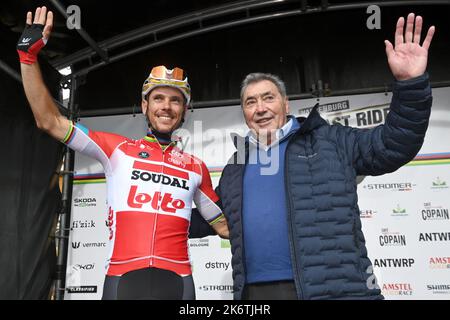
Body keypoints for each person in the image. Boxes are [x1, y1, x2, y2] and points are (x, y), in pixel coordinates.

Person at [216, 13, 435, 300]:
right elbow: (204, 216)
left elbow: (394, 144)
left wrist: (411, 84)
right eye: (250, 102)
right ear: (244, 112)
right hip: (254, 294)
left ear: (286, 102)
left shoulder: (331, 140)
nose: (260, 108)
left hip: (332, 289)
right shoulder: (236, 166)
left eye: (268, 98)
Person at [17, 6, 229, 300]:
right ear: (145, 106)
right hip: (123, 281)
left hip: (179, 284)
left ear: (184, 111)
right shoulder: (116, 149)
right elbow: (49, 121)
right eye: (158, 98)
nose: (166, 106)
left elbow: (225, 226)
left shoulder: (196, 167)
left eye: (175, 100)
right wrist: (28, 59)